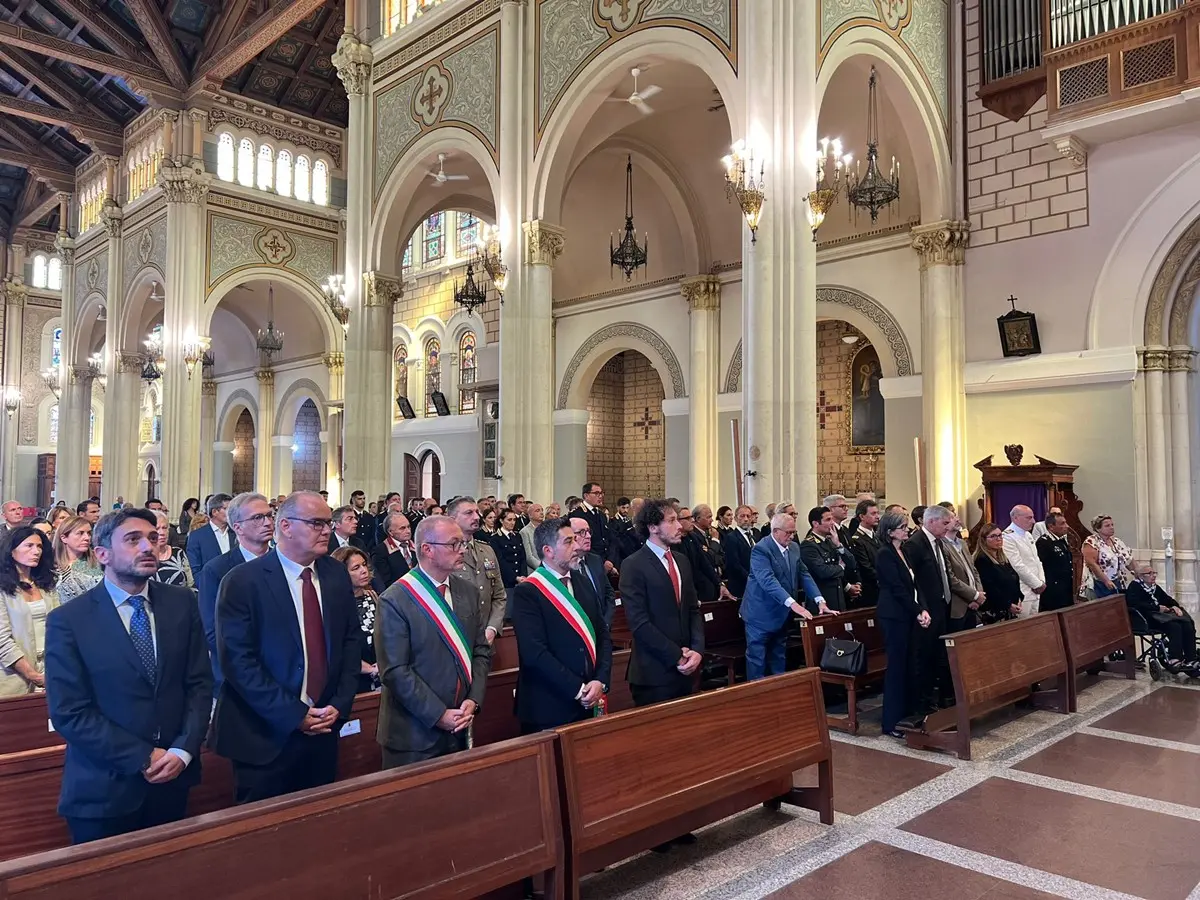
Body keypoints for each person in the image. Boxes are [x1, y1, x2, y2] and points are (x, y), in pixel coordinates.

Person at [44, 509, 211, 843]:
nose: (148, 546)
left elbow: (199, 684)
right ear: (102, 553)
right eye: (133, 540)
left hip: (172, 778)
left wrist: (183, 750)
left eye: (152, 537)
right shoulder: (70, 619)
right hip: (103, 789)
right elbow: (69, 712)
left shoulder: (180, 603)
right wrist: (143, 756)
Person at [211, 491, 362, 804]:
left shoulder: (334, 574)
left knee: (317, 831)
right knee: (263, 840)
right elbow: (239, 662)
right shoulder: (242, 581)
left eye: (328, 522)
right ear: (286, 526)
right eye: (316, 523)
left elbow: (349, 642)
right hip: (264, 735)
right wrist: (295, 715)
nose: (326, 530)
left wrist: (340, 702)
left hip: (324, 728)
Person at [375, 515, 491, 768]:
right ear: (427, 549)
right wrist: (438, 714)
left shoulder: (467, 591)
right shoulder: (395, 599)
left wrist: (474, 700)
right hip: (413, 735)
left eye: (463, 543)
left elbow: (480, 651)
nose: (462, 550)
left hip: (461, 722)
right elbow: (395, 671)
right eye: (453, 544)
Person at [511, 518, 613, 732]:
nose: (577, 546)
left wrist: (600, 680)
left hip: (589, 697)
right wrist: (578, 690)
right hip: (548, 707)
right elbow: (534, 653)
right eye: (568, 541)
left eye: (576, 539)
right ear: (548, 550)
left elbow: (602, 634)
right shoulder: (528, 592)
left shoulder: (582, 581)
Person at [618, 499, 704, 705]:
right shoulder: (633, 565)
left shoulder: (681, 561)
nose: (679, 526)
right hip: (653, 673)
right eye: (672, 520)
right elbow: (639, 623)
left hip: (687, 668)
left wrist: (697, 650)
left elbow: (693, 609)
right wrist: (677, 656)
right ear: (653, 527)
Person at [197, 493, 275, 697]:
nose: (268, 522)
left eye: (270, 515)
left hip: (285, 674)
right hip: (237, 677)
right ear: (237, 527)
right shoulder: (217, 570)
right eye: (258, 518)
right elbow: (213, 632)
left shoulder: (284, 564)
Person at [741, 512, 832, 680]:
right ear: (775, 531)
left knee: (779, 657)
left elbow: (804, 574)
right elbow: (768, 581)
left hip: (781, 614)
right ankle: (755, 699)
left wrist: (820, 600)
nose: (791, 536)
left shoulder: (794, 548)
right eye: (788, 532)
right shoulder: (761, 549)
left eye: (793, 532)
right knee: (757, 660)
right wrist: (793, 604)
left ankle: (779, 697)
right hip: (760, 614)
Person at [874, 512, 930, 737]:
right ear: (890, 531)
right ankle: (891, 721)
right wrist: (917, 610)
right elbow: (897, 588)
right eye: (903, 527)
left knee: (910, 664)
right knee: (897, 667)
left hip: (908, 614)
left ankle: (908, 715)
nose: (907, 530)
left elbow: (915, 585)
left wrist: (923, 608)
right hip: (894, 615)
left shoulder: (904, 551)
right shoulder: (884, 554)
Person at [902, 504, 955, 713]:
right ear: (931, 521)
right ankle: (922, 701)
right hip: (926, 609)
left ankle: (935, 697)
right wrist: (921, 608)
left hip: (941, 606)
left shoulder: (938, 542)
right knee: (924, 656)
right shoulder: (915, 544)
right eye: (944, 523)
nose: (947, 527)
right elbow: (913, 580)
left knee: (938, 654)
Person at [0, 527, 60, 695]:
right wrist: (34, 676)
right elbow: (2, 641)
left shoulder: (45, 584)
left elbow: (58, 627)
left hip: (49, 670)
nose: (36, 551)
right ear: (11, 551)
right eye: (29, 546)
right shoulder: (2, 587)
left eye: (39, 546)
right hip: (12, 677)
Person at [447, 496, 506, 642]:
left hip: (486, 639)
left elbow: (499, 595)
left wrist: (492, 628)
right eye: (469, 513)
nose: (476, 517)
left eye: (476, 512)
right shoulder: (445, 552)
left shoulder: (487, 551)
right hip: (456, 638)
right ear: (452, 518)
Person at [1125, 563, 1198, 674]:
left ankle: (1191, 658)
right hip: (1145, 618)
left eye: (1154, 573)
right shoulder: (1134, 587)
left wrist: (1175, 606)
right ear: (1140, 576)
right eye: (1149, 573)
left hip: (1159, 617)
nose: (1153, 575)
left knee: (1186, 624)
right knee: (1174, 626)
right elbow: (1135, 604)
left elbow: (1167, 599)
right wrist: (1157, 608)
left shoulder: (1154, 587)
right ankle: (1175, 658)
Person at [331, 546, 381, 692]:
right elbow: (337, 649)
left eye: (364, 565)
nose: (364, 571)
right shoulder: (334, 605)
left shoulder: (374, 597)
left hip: (382, 675)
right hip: (353, 680)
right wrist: (367, 668)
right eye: (356, 568)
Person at [799, 506, 860, 612]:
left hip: (838, 599)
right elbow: (823, 571)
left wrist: (838, 545)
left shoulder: (831, 541)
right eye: (828, 520)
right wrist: (841, 567)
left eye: (832, 519)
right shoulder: (809, 545)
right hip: (822, 601)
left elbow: (852, 563)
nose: (832, 523)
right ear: (815, 524)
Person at [939, 506, 985, 632]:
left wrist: (978, 594)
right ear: (944, 523)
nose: (958, 520)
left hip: (974, 603)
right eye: (953, 517)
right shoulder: (941, 545)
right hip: (958, 606)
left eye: (957, 516)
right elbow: (951, 578)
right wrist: (974, 596)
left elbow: (973, 570)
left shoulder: (962, 543)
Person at [569, 516, 616, 626]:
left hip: (603, 629)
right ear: (569, 537)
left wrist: (606, 623)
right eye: (582, 532)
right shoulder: (565, 566)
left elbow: (609, 593)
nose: (589, 536)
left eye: (589, 531)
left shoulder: (596, 560)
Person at [973, 524, 1023, 623]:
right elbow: (990, 588)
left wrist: (1019, 598)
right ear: (983, 540)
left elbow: (1014, 579)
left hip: (1010, 609)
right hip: (995, 611)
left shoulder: (1002, 558)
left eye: (1000, 535)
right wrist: (1007, 605)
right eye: (993, 536)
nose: (999, 539)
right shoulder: (982, 560)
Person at [1002, 505, 1045, 616]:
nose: (1033, 521)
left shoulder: (1028, 535)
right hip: (1023, 591)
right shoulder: (1008, 537)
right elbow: (1017, 566)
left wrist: (1041, 581)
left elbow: (1037, 561)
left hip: (1036, 591)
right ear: (1016, 518)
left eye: (1033, 517)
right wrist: (1036, 584)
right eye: (1029, 518)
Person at [1082, 514, 1134, 600]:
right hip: (1099, 583)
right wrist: (1106, 581)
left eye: (1112, 525)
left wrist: (1138, 572)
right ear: (1098, 528)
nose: (1111, 527)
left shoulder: (1116, 541)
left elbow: (1129, 559)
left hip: (1117, 581)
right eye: (1107, 526)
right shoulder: (1091, 542)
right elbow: (1092, 564)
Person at [53, 516, 104, 602]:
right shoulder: (51, 566)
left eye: (89, 533)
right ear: (64, 538)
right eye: (80, 533)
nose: (87, 538)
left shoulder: (100, 562)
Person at [186, 493, 236, 576]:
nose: (231, 513)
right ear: (214, 512)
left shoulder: (237, 533)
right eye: (227, 509)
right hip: (210, 585)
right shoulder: (197, 536)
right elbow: (196, 569)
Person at [1037, 511, 1076, 612]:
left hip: (1066, 587)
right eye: (1062, 523)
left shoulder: (1061, 540)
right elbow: (1040, 565)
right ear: (1051, 526)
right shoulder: (1044, 543)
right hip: (1053, 590)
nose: (1066, 526)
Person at [370, 508, 414, 593]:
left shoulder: (416, 547)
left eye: (408, 527)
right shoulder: (381, 551)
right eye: (402, 528)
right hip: (396, 595)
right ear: (390, 532)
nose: (408, 531)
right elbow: (384, 582)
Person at [489, 509, 529, 600]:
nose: (512, 523)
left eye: (514, 520)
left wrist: (523, 575)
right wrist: (515, 577)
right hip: (506, 581)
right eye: (509, 520)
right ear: (501, 520)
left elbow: (522, 557)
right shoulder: (496, 538)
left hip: (520, 580)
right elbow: (500, 561)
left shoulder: (517, 536)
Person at [149, 509, 194, 590]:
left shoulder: (178, 553)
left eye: (165, 528)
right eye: (157, 528)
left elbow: (191, 584)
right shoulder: (143, 557)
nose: (162, 532)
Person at [849, 500, 882, 606]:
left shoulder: (877, 537)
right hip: (869, 589)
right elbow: (865, 567)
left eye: (877, 513)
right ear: (862, 516)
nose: (877, 516)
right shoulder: (857, 539)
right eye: (873, 513)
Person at [720, 504, 756, 598]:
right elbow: (734, 564)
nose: (746, 519)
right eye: (742, 516)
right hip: (741, 585)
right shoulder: (731, 537)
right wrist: (751, 578)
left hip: (754, 585)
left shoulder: (753, 537)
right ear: (736, 518)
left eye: (748, 516)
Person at [577, 483, 615, 572]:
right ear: (586, 495)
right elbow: (581, 542)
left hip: (608, 563)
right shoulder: (578, 514)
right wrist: (602, 561)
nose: (600, 496)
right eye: (596, 493)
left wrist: (610, 559)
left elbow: (611, 538)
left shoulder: (601, 515)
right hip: (590, 562)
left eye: (601, 493)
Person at [520, 503, 545, 573]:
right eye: (537, 511)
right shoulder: (525, 532)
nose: (541, 513)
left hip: (550, 569)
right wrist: (543, 568)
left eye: (542, 510)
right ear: (530, 515)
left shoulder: (547, 529)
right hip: (535, 571)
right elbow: (529, 557)